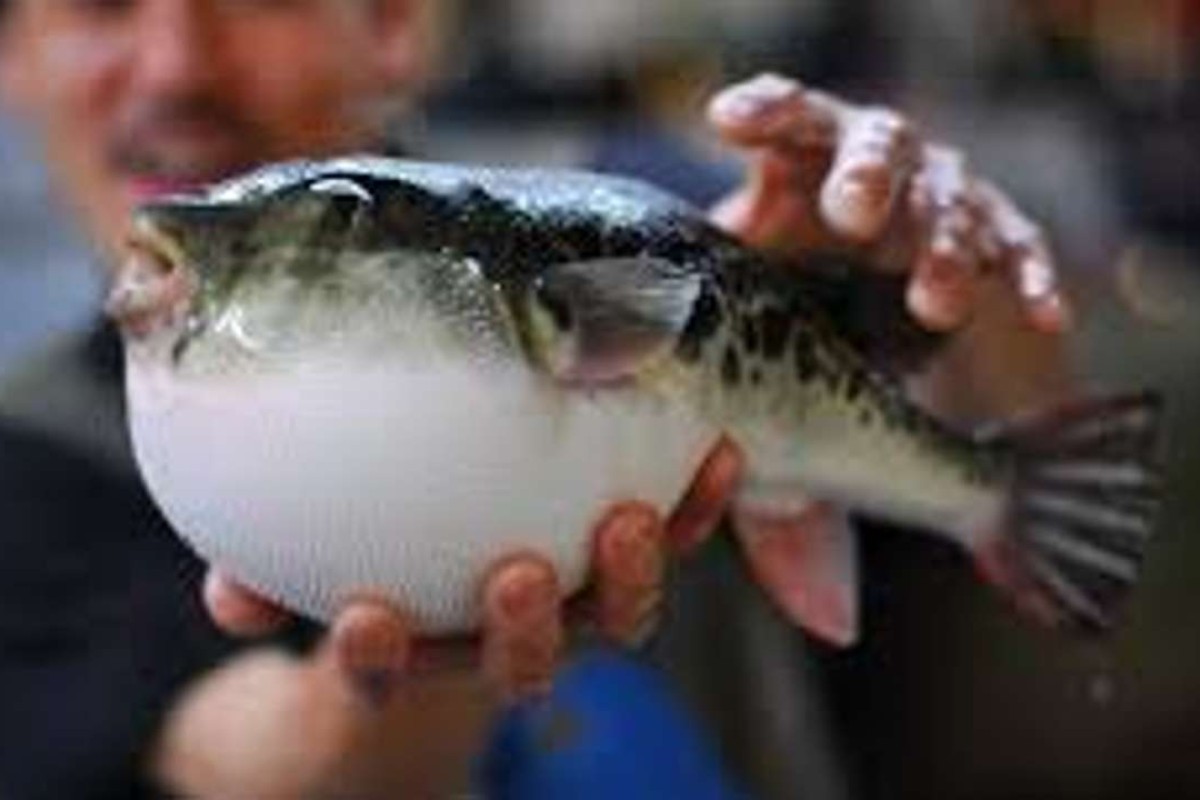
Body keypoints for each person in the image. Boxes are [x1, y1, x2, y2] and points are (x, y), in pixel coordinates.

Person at [0, 1, 1070, 797]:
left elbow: (1043, 432)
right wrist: (427, 645)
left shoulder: (652, 212)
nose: (180, 64)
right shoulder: (31, 463)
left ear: (393, 23)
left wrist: (950, 252)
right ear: (14, 52)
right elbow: (256, 769)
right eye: (100, 0)